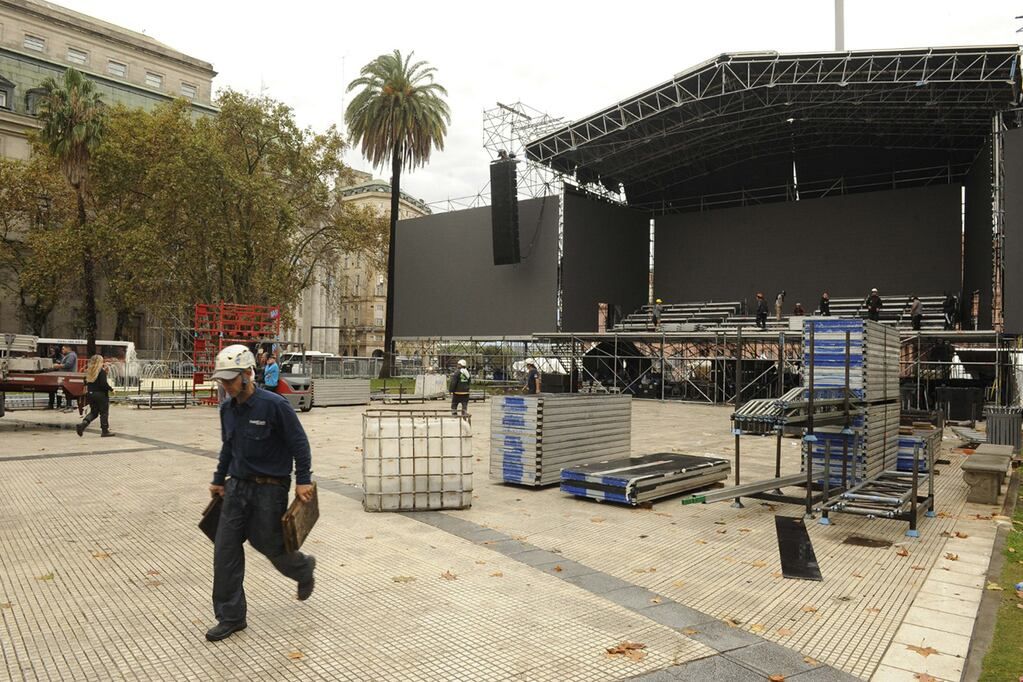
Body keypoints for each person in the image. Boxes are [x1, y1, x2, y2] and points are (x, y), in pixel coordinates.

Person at [206, 344, 316, 643]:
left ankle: (303, 568)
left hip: (270, 489)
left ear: (246, 374)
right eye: (222, 380)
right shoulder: (227, 409)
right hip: (237, 487)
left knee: (269, 545)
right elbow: (228, 446)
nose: (225, 385)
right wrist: (218, 479)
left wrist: (303, 480)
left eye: (230, 379)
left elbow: (299, 444)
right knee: (224, 550)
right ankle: (231, 616)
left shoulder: (274, 405)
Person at [75, 355, 113, 437]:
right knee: (104, 412)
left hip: (91, 394)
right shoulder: (101, 371)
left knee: (94, 412)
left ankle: (83, 424)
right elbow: (103, 384)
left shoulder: (89, 371)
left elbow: (86, 382)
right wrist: (111, 389)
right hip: (101, 395)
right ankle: (105, 430)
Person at [48, 344, 78, 411]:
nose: (62, 350)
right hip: (66, 375)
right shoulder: (68, 355)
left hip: (69, 376)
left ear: (68, 348)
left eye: (63, 349)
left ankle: (69, 406)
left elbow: (68, 365)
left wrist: (58, 366)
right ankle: (67, 406)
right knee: (65, 391)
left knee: (68, 391)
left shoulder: (71, 355)